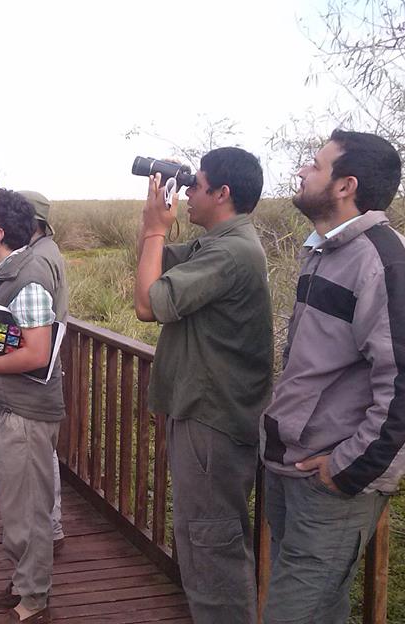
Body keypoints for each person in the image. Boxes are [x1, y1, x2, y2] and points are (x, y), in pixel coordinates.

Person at [260, 131, 405, 624]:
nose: (301, 172)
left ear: (345, 185)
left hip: (330, 484)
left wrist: (346, 469)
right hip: (292, 467)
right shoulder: (323, 252)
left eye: (315, 165)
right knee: (321, 611)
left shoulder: (385, 262)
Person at [134, 147, 272, 624]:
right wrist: (154, 225)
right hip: (202, 412)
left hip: (213, 418)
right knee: (199, 535)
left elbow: (147, 305)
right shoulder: (217, 243)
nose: (188, 194)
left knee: (213, 542)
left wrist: (156, 228)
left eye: (194, 185)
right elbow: (150, 266)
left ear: (223, 193)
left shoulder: (231, 252)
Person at [0, 188, 63, 624]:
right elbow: (17, 332)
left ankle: (34, 600)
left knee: (28, 510)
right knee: (15, 505)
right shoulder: (11, 270)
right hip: (12, 407)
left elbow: (38, 353)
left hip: (25, 413)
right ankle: (23, 583)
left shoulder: (30, 274)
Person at [19, 190, 68, 555]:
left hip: (39, 371)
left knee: (40, 458)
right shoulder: (44, 252)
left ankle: (48, 532)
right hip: (45, 365)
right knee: (43, 455)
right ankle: (50, 529)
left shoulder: (38, 259)